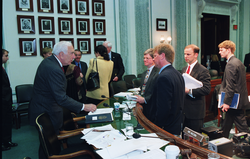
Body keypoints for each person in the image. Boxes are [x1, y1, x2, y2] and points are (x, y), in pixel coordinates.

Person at [29, 41, 96, 133]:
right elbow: (61, 98)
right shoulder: (54, 69)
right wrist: (84, 106)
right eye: (71, 53)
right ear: (61, 54)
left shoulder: (49, 62)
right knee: (51, 144)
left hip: (45, 108)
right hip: (48, 112)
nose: (74, 57)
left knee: (48, 145)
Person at [149, 43, 185, 135]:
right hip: (175, 124)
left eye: (155, 56)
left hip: (166, 128)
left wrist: (157, 127)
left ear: (162, 56)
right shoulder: (177, 73)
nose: (153, 59)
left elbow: (163, 107)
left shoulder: (163, 77)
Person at [218, 40, 250, 138]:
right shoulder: (238, 61)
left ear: (228, 50)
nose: (219, 52)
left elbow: (231, 86)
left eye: (221, 50)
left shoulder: (231, 64)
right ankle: (222, 143)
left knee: (242, 128)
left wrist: (227, 102)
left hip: (233, 102)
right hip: (237, 100)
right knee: (226, 126)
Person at [181, 44, 211, 133]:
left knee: (195, 139)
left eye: (188, 54)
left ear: (196, 55)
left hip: (195, 112)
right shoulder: (184, 69)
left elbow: (206, 89)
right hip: (184, 111)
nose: (185, 56)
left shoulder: (203, 70)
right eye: (185, 54)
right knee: (184, 137)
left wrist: (189, 91)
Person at [134, 48, 159, 121]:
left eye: (147, 58)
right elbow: (143, 89)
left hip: (153, 108)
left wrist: (145, 99)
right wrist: (138, 96)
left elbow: (156, 91)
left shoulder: (158, 72)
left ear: (153, 59)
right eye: (144, 58)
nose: (145, 60)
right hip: (144, 107)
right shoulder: (144, 73)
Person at [2, 49, 18, 151]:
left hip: (6, 101)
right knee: (2, 123)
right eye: (6, 56)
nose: (7, 58)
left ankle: (7, 141)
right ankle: (3, 143)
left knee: (7, 123)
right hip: (3, 101)